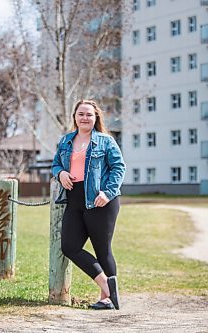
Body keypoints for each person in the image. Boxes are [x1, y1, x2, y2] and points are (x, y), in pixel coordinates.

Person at [51, 99, 126, 310]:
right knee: (70, 247)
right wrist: (61, 173)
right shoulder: (66, 140)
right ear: (75, 117)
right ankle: (107, 286)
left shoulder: (106, 141)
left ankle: (106, 299)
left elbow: (118, 168)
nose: (85, 118)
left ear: (96, 118)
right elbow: (56, 164)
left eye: (89, 114)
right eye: (81, 114)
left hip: (100, 201)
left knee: (103, 250)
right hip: (74, 201)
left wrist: (108, 193)